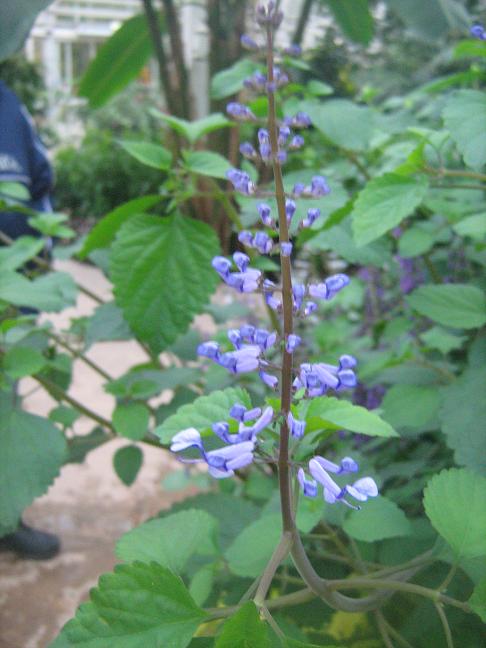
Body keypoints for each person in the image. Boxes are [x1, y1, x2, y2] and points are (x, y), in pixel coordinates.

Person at [0, 79, 60, 559]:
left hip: (13, 300)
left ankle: (4, 519)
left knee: (6, 411)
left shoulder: (8, 102)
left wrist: (43, 259)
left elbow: (40, 181)